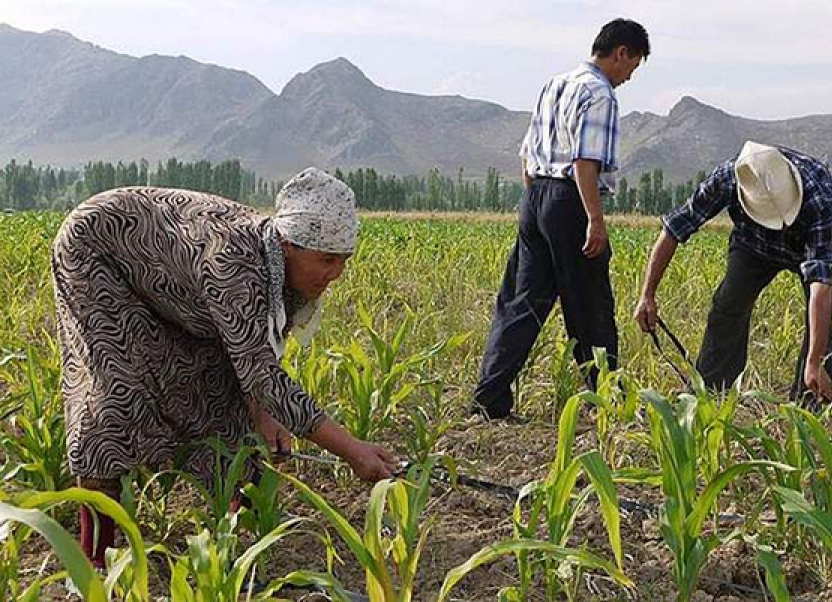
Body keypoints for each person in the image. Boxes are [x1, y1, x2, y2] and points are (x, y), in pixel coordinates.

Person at [51, 168, 400, 567]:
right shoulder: (232, 264)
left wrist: (262, 414)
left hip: (172, 283)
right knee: (114, 397)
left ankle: (234, 535)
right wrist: (352, 450)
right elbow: (261, 374)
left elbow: (254, 355)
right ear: (288, 245)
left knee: (220, 390)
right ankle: (92, 561)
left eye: (343, 261)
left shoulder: (276, 266)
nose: (334, 273)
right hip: (98, 253)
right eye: (325, 260)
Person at [472, 18, 650, 420]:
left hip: (536, 198)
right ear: (620, 53)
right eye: (632, 67)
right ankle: (609, 401)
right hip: (571, 201)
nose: (628, 77)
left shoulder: (556, 84)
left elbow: (527, 154)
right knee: (590, 304)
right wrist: (595, 219)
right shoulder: (599, 93)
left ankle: (489, 399)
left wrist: (537, 203)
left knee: (521, 302)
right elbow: (585, 162)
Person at [634, 141, 832, 402]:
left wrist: (814, 361)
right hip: (754, 243)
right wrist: (647, 295)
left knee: (822, 327)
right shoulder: (727, 179)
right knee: (728, 305)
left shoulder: (820, 197)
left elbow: (821, 285)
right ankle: (709, 395)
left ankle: (810, 409)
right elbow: (673, 229)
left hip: (818, 243)